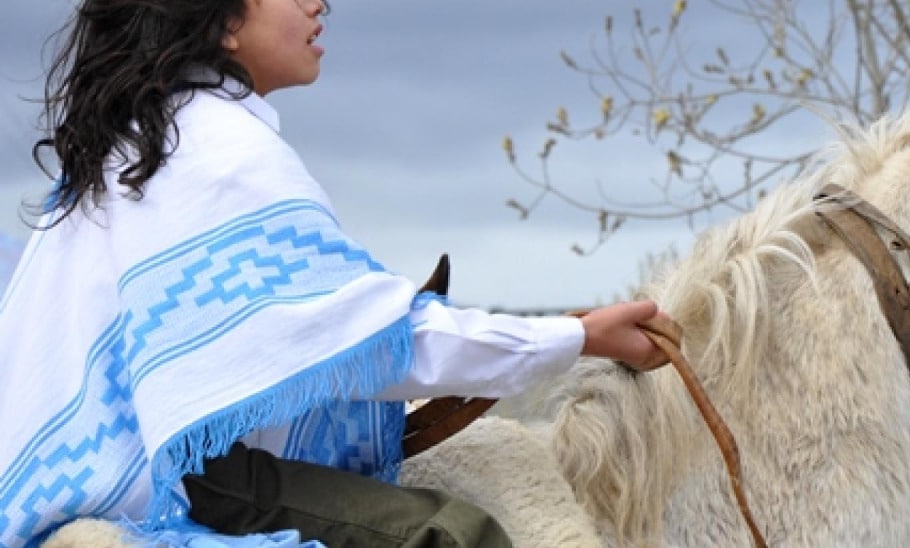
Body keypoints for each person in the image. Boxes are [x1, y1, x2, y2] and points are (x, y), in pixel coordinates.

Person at [0, 0, 670, 546]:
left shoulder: (142, 139)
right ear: (226, 21)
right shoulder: (221, 150)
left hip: (97, 467)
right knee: (454, 531)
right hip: (172, 477)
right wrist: (578, 338)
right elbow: (382, 343)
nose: (321, 4)